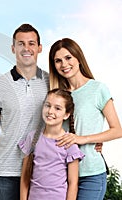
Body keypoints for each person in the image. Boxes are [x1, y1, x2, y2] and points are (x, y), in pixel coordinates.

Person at [48, 38, 122, 200]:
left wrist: (84, 138)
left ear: (78, 58)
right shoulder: (57, 95)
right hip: (61, 174)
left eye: (68, 58)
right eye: (58, 61)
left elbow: (117, 130)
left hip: (91, 174)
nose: (64, 64)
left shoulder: (97, 89)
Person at [0, 23, 49, 200]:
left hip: (42, 169)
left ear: (39, 48)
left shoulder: (52, 82)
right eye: (21, 43)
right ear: (13, 48)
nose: (26, 48)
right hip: (6, 171)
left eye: (31, 43)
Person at [19, 88, 84, 200]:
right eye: (47, 105)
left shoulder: (70, 144)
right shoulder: (32, 138)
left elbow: (73, 183)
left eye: (57, 108)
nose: (50, 111)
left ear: (66, 114)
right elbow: (25, 176)